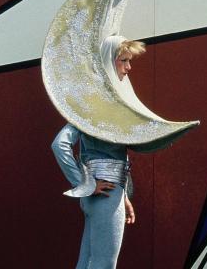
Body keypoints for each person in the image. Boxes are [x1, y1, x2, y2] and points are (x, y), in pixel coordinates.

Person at [52, 36, 139, 269]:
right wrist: (85, 183)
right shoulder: (99, 105)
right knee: (103, 264)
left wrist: (123, 196)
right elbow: (59, 144)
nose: (129, 68)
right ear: (109, 63)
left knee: (88, 261)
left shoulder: (96, 102)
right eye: (124, 60)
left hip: (105, 194)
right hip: (105, 193)